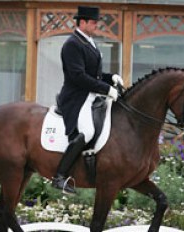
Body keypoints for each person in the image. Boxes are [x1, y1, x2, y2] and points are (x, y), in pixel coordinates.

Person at [52, 6, 124, 194]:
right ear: (82, 22)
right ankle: (59, 176)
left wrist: (111, 78)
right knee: (88, 131)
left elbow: (95, 75)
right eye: (93, 23)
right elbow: (78, 77)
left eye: (96, 23)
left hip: (91, 95)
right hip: (76, 97)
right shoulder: (72, 44)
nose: (96, 26)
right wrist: (106, 89)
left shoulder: (88, 42)